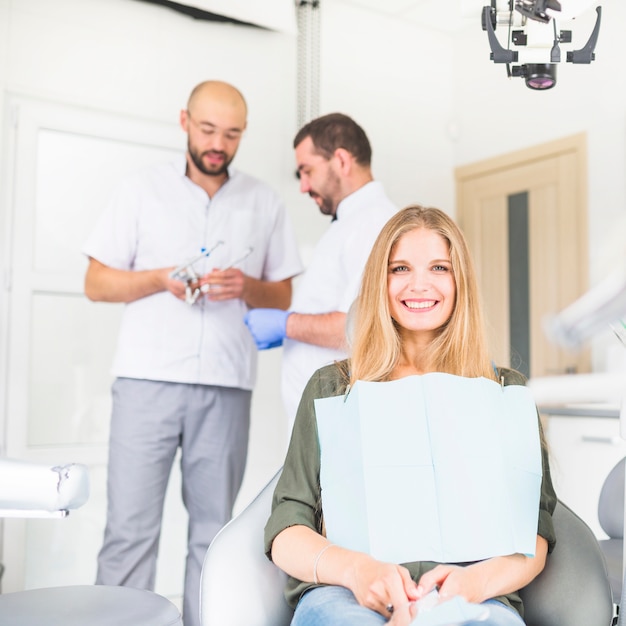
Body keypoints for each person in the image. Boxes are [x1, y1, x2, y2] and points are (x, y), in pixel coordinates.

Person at [264, 205, 557, 626]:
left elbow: (536, 533)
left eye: (439, 267)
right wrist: (358, 572)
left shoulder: (506, 392)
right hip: (346, 597)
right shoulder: (332, 389)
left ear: (460, 283)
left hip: (473, 598)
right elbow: (286, 529)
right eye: (400, 268)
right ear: (379, 282)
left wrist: (471, 585)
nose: (419, 284)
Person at [82, 80, 303, 626]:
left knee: (214, 533)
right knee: (130, 529)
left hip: (226, 386)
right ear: (184, 121)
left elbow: (284, 294)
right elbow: (96, 282)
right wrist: (158, 279)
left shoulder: (263, 200)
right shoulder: (141, 190)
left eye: (231, 134)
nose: (217, 144)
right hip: (146, 381)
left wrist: (245, 286)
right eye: (207, 130)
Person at [244, 113, 398, 428]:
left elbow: (362, 328)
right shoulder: (349, 222)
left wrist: (287, 324)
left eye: (307, 171)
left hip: (338, 418)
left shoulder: (372, 225)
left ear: (341, 160)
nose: (303, 186)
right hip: (321, 416)